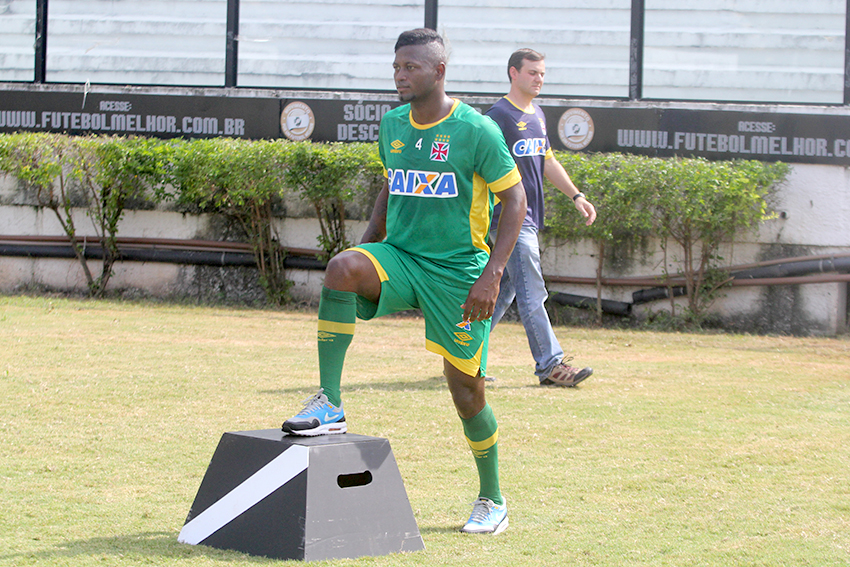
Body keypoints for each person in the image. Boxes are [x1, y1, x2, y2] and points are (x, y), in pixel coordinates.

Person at [282, 28, 527, 536]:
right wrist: (365, 248)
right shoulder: (392, 123)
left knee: (467, 394)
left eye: (410, 67)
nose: (400, 75)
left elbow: (515, 200)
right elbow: (390, 186)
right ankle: (330, 403)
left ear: (439, 71)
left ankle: (493, 498)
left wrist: (493, 274)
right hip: (402, 257)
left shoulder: (476, 130)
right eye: (396, 67)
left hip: (458, 272)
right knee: (341, 268)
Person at [485, 48, 597, 387]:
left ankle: (460, 351)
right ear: (513, 73)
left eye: (542, 74)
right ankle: (550, 365)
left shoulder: (538, 114)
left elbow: (547, 161)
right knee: (532, 290)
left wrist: (576, 195)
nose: (539, 79)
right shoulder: (497, 116)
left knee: (501, 292)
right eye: (532, 72)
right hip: (508, 219)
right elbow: (480, 167)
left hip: (530, 218)